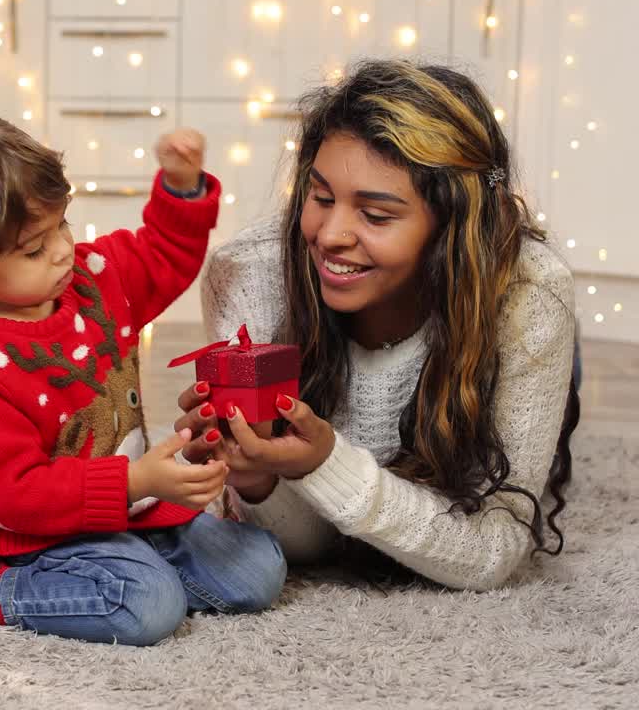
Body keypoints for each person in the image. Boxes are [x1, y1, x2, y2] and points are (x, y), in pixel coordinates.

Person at [0, 103, 286, 646]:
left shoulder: (96, 278)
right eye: (33, 249)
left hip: (132, 514)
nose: (63, 250)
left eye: (61, 225)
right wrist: (136, 481)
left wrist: (181, 187)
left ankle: (137, 562)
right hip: (39, 540)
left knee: (260, 568)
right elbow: (17, 494)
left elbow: (163, 254)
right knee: (148, 608)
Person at [175, 59, 579, 591]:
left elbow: (492, 552)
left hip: (479, 315)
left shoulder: (529, 297)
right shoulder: (248, 275)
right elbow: (313, 548)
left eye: (376, 215)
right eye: (320, 198)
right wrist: (259, 477)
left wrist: (326, 462)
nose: (331, 234)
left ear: (450, 229)